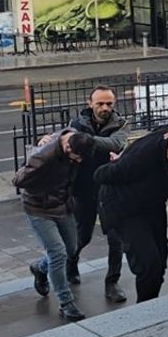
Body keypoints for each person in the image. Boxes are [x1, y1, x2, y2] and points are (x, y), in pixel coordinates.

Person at [92, 128, 168, 303]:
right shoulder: (143, 156)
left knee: (160, 260)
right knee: (148, 262)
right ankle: (144, 309)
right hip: (123, 207)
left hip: (151, 205)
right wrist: (117, 163)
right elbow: (101, 175)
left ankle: (150, 302)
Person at [13, 129, 96, 322]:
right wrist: (39, 178)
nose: (79, 161)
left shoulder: (75, 138)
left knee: (71, 249)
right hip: (39, 208)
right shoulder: (44, 157)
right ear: (67, 148)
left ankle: (40, 268)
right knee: (57, 253)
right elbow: (18, 180)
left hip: (63, 205)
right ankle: (66, 303)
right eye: (76, 157)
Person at [66, 85, 129, 303]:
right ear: (89, 103)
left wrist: (85, 141)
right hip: (83, 190)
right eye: (100, 103)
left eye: (109, 104)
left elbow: (116, 143)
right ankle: (71, 264)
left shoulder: (121, 124)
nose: (104, 108)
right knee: (81, 236)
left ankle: (112, 282)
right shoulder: (77, 124)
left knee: (116, 238)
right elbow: (66, 141)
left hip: (110, 190)